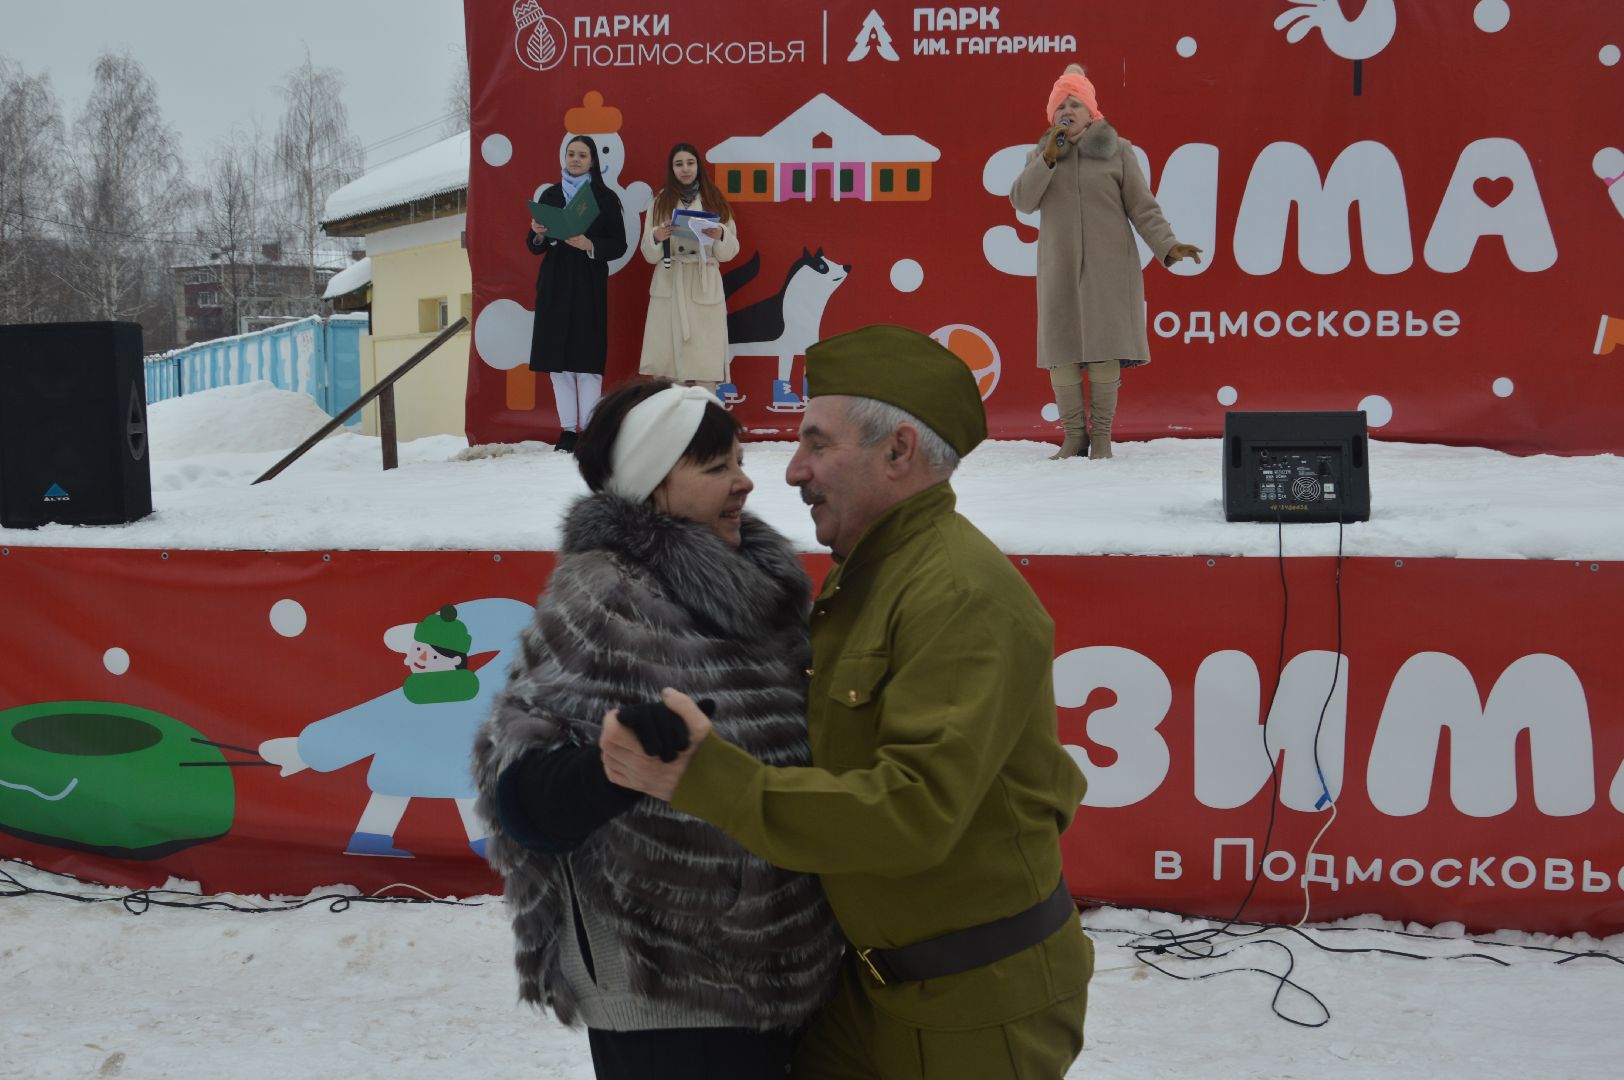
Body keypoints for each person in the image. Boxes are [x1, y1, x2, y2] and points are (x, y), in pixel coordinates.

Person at [600, 325, 1094, 1080]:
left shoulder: (959, 594)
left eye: (816, 442)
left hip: (971, 1007)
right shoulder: (866, 574)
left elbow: (913, 811)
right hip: (869, 990)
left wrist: (704, 777)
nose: (791, 470)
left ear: (897, 451)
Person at [472, 380, 844, 1079]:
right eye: (715, 468)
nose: (743, 482)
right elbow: (521, 793)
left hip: (781, 961)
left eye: (738, 459)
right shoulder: (607, 594)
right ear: (653, 486)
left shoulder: (759, 590)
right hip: (665, 985)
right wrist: (614, 761)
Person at [1011, 63, 1202, 460]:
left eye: (1076, 103)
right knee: (1061, 351)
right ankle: (1074, 437)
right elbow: (1022, 202)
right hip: (1059, 267)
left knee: (1103, 347)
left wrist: (1168, 245)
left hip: (1108, 265)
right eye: (1061, 104)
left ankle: (1101, 439)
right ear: (1051, 115)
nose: (1068, 109)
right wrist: (1047, 158)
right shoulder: (1041, 154)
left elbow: (1142, 208)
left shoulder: (1119, 151)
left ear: (1092, 111)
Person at [526, 134, 629, 454]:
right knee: (558, 364)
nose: (575, 159)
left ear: (593, 161)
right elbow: (531, 245)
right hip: (555, 283)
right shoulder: (551, 194)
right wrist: (538, 233)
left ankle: (591, 429)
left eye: (582, 155)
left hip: (587, 282)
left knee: (586, 363)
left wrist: (589, 244)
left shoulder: (605, 197)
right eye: (570, 153)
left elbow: (619, 244)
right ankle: (568, 430)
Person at [637, 143, 739, 395]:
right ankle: (670, 421)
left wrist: (720, 234)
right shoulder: (660, 201)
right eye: (679, 164)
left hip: (703, 278)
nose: (685, 169)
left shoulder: (714, 199)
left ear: (698, 166)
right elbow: (648, 254)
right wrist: (657, 236)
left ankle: (707, 421)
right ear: (671, 169)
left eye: (690, 163)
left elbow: (730, 250)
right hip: (671, 279)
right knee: (668, 363)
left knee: (706, 361)